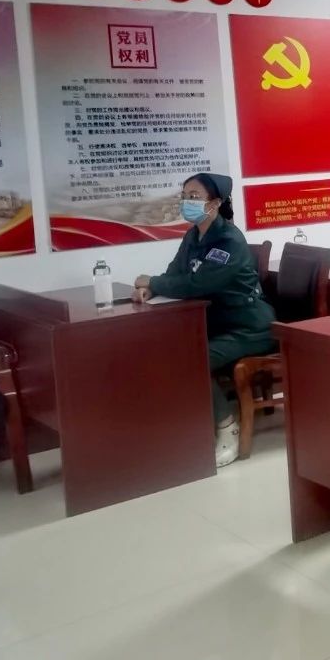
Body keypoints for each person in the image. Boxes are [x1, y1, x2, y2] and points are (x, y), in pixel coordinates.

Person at [133, 173, 275, 468]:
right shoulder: (193, 236)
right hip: (218, 324)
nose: (187, 202)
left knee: (194, 360)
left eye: (195, 197)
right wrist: (152, 288)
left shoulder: (229, 241)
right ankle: (188, 426)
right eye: (185, 196)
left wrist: (152, 281)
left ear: (215, 203)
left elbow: (198, 284)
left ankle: (227, 428)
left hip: (249, 327)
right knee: (165, 350)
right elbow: (175, 274)